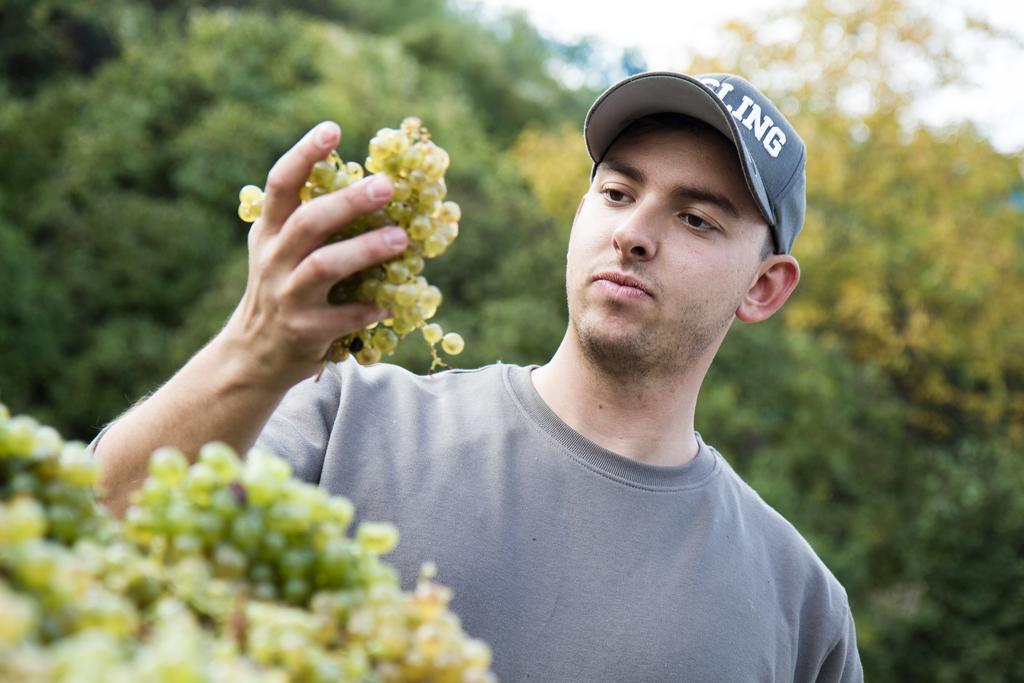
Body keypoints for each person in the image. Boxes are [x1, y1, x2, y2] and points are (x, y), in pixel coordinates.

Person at [94, 71, 863, 681]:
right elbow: (88, 543)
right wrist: (250, 353)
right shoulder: (345, 420)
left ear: (765, 287)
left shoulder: (803, 610)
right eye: (618, 193)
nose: (632, 233)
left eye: (696, 218)